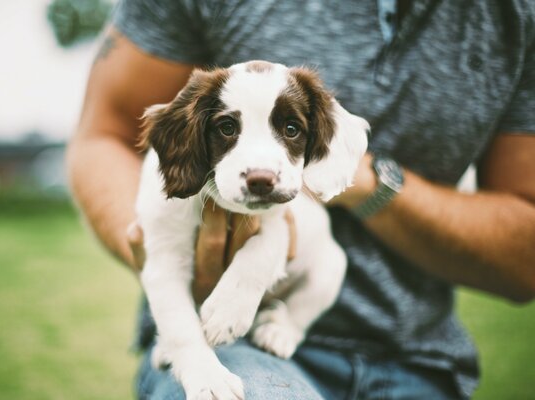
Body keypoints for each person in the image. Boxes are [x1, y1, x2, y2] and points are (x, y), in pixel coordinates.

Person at [67, 1, 535, 398]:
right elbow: (105, 130)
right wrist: (163, 271)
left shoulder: (516, 13)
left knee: (312, 256)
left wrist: (363, 183)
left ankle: (287, 320)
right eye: (226, 128)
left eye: (290, 129)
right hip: (225, 346)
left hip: (416, 359)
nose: (260, 166)